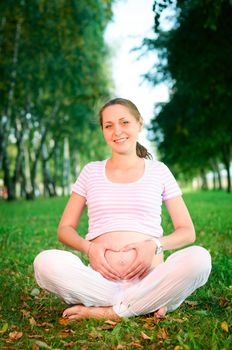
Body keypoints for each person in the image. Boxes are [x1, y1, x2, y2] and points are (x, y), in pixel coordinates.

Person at [34, 97, 212, 321]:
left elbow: (187, 231)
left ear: (139, 124)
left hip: (151, 277)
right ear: (103, 131)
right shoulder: (91, 172)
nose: (117, 131)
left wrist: (155, 245)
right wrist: (89, 249)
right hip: (100, 282)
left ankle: (109, 311)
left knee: (200, 259)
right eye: (108, 126)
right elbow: (65, 229)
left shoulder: (159, 171)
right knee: (44, 262)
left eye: (124, 122)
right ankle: (145, 303)